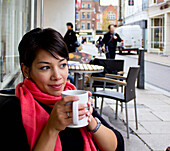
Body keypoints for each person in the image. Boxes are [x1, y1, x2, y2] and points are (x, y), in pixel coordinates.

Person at [0, 28, 124, 151]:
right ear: (26, 70)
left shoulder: (73, 97)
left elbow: (116, 146)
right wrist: (52, 128)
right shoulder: (14, 109)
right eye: (45, 67)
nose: (57, 76)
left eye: (62, 65)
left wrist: (90, 119)